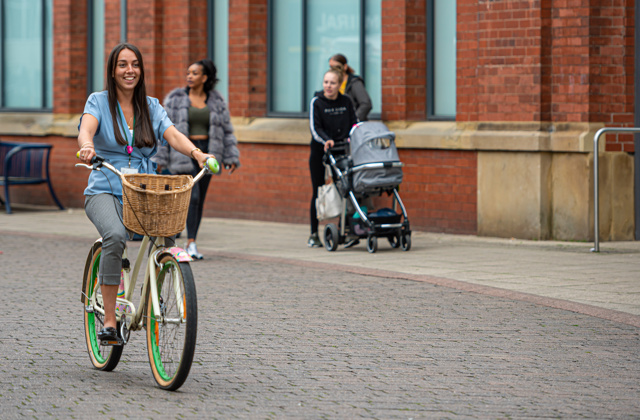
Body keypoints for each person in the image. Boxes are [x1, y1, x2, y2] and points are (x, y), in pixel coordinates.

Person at [77, 43, 216, 343]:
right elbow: (86, 128)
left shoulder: (151, 106)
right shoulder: (98, 101)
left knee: (166, 232)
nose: (130, 70)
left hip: (142, 191)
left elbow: (172, 134)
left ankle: (155, 293)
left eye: (135, 64)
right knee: (115, 236)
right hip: (105, 189)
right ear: (112, 71)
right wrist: (87, 145)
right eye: (123, 65)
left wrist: (197, 154)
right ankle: (110, 320)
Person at [154, 59, 240, 259]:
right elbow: (165, 130)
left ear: (205, 77)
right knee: (192, 197)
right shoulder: (176, 99)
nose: (189, 76)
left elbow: (226, 130)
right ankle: (188, 241)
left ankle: (190, 239)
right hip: (184, 153)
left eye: (194, 73)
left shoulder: (216, 101)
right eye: (188, 73)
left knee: (199, 199)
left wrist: (230, 156)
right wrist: (160, 158)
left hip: (209, 154)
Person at [308, 65, 357, 247]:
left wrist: (353, 137)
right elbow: (315, 128)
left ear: (340, 84)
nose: (328, 86)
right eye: (326, 82)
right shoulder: (317, 102)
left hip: (341, 152)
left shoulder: (346, 102)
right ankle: (314, 234)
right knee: (318, 191)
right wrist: (326, 140)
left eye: (332, 83)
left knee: (346, 189)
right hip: (320, 152)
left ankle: (346, 231)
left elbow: (354, 124)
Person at [328, 53, 372, 121]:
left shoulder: (354, 82)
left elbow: (366, 104)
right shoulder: (330, 83)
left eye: (336, 67)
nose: (332, 70)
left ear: (345, 67)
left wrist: (354, 120)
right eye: (331, 67)